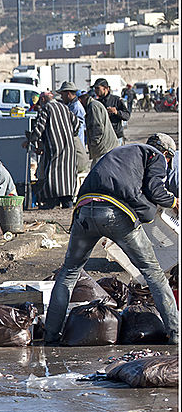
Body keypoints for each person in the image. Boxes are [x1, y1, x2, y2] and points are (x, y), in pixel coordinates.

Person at [43, 138, 179, 346]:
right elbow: (155, 191)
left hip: (84, 213)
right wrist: (174, 202)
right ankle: (176, 333)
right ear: (167, 153)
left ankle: (51, 335)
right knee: (153, 273)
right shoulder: (156, 155)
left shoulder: (121, 153)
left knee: (69, 273)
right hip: (115, 213)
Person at [24, 91, 80, 209]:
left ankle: (51, 203)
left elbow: (39, 130)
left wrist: (30, 139)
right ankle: (67, 204)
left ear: (43, 99)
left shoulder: (46, 109)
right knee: (67, 179)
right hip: (69, 149)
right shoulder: (65, 108)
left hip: (55, 149)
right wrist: (70, 134)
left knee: (53, 176)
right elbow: (77, 124)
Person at [78, 89, 118, 164]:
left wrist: (94, 143)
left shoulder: (93, 107)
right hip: (103, 149)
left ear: (80, 100)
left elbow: (98, 127)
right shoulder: (92, 105)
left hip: (103, 149)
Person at [58, 82, 88, 173]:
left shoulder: (76, 107)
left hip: (76, 145)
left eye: (62, 94)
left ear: (68, 94)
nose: (61, 97)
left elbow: (76, 127)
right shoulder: (71, 106)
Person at [93, 78, 130, 144]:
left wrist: (116, 112)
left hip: (116, 136)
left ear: (105, 89)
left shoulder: (116, 100)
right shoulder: (96, 102)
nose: (95, 91)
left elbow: (127, 116)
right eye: (95, 88)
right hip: (103, 138)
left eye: (98, 88)